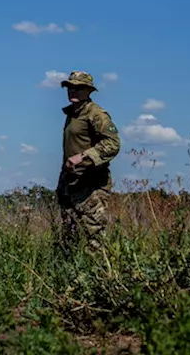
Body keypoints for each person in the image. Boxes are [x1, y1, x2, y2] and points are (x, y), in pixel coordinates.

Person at [55, 71, 122, 254]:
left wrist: (84, 156)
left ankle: (101, 277)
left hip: (91, 185)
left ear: (89, 91)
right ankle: (71, 276)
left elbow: (113, 143)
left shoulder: (96, 114)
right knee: (69, 237)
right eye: (70, 87)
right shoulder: (72, 114)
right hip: (71, 184)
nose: (72, 91)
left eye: (78, 88)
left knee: (95, 237)